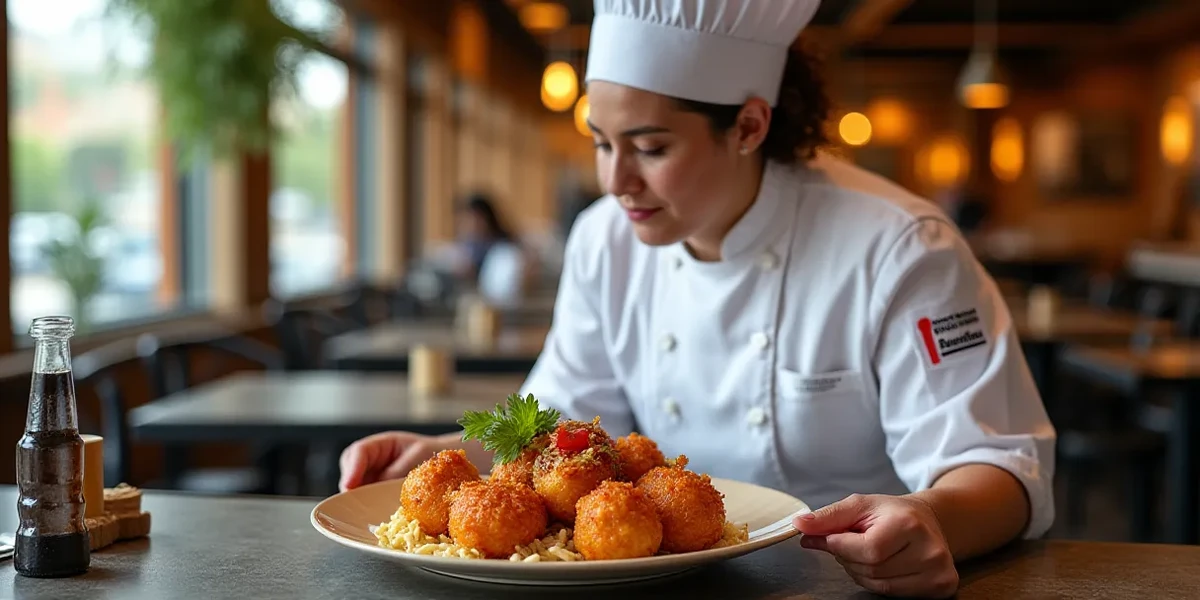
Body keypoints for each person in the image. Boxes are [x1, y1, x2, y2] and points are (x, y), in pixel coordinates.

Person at [338, 1, 1055, 597]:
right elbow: (564, 422)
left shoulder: (901, 248)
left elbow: (998, 464)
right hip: (650, 584)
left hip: (843, 584)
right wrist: (451, 453)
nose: (615, 182)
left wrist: (932, 519)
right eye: (601, 143)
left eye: (650, 148)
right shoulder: (604, 240)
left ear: (748, 126)